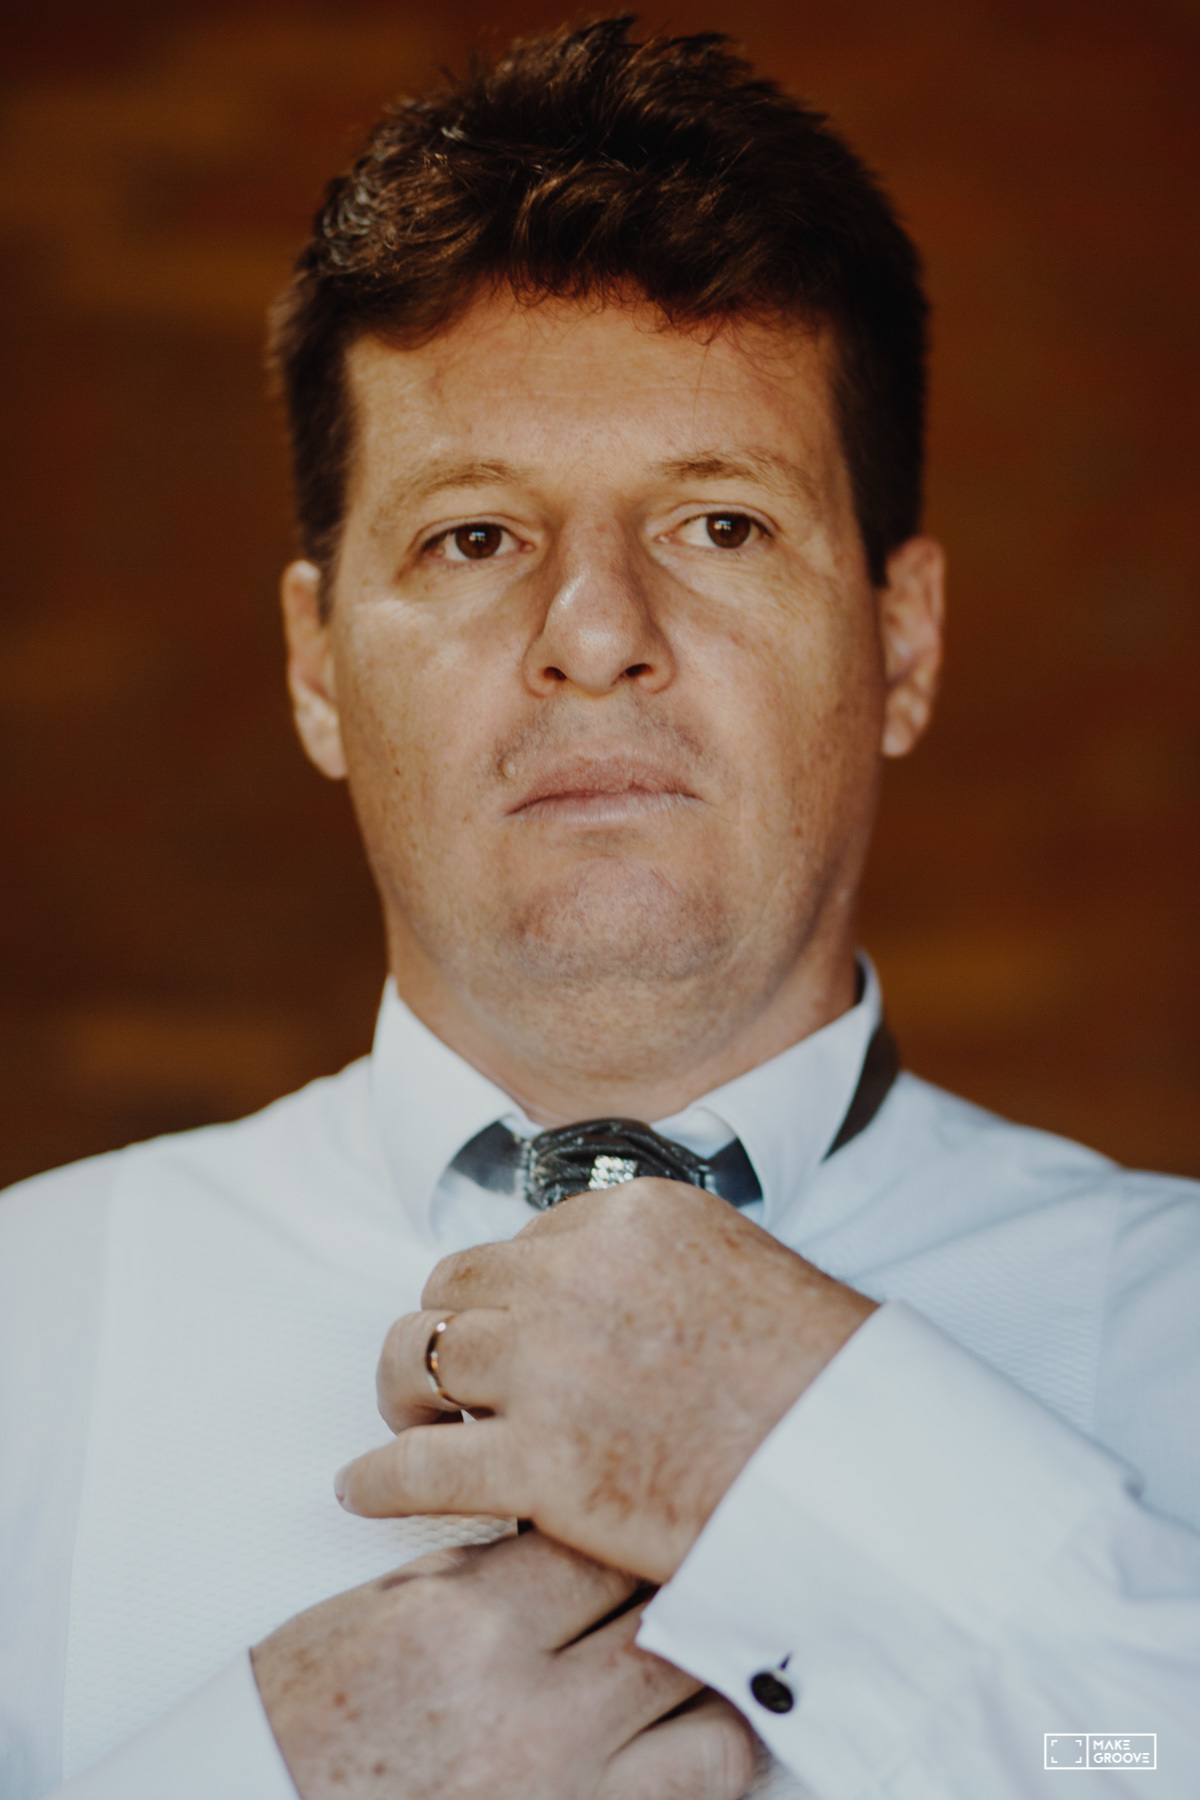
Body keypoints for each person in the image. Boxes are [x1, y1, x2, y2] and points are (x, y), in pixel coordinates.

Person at [1, 16, 1197, 1800]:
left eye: (720, 526)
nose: (595, 633)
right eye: (475, 537)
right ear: (317, 669)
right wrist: (269, 1774)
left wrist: (819, 1465)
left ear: (903, 643)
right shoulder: (23, 1341)